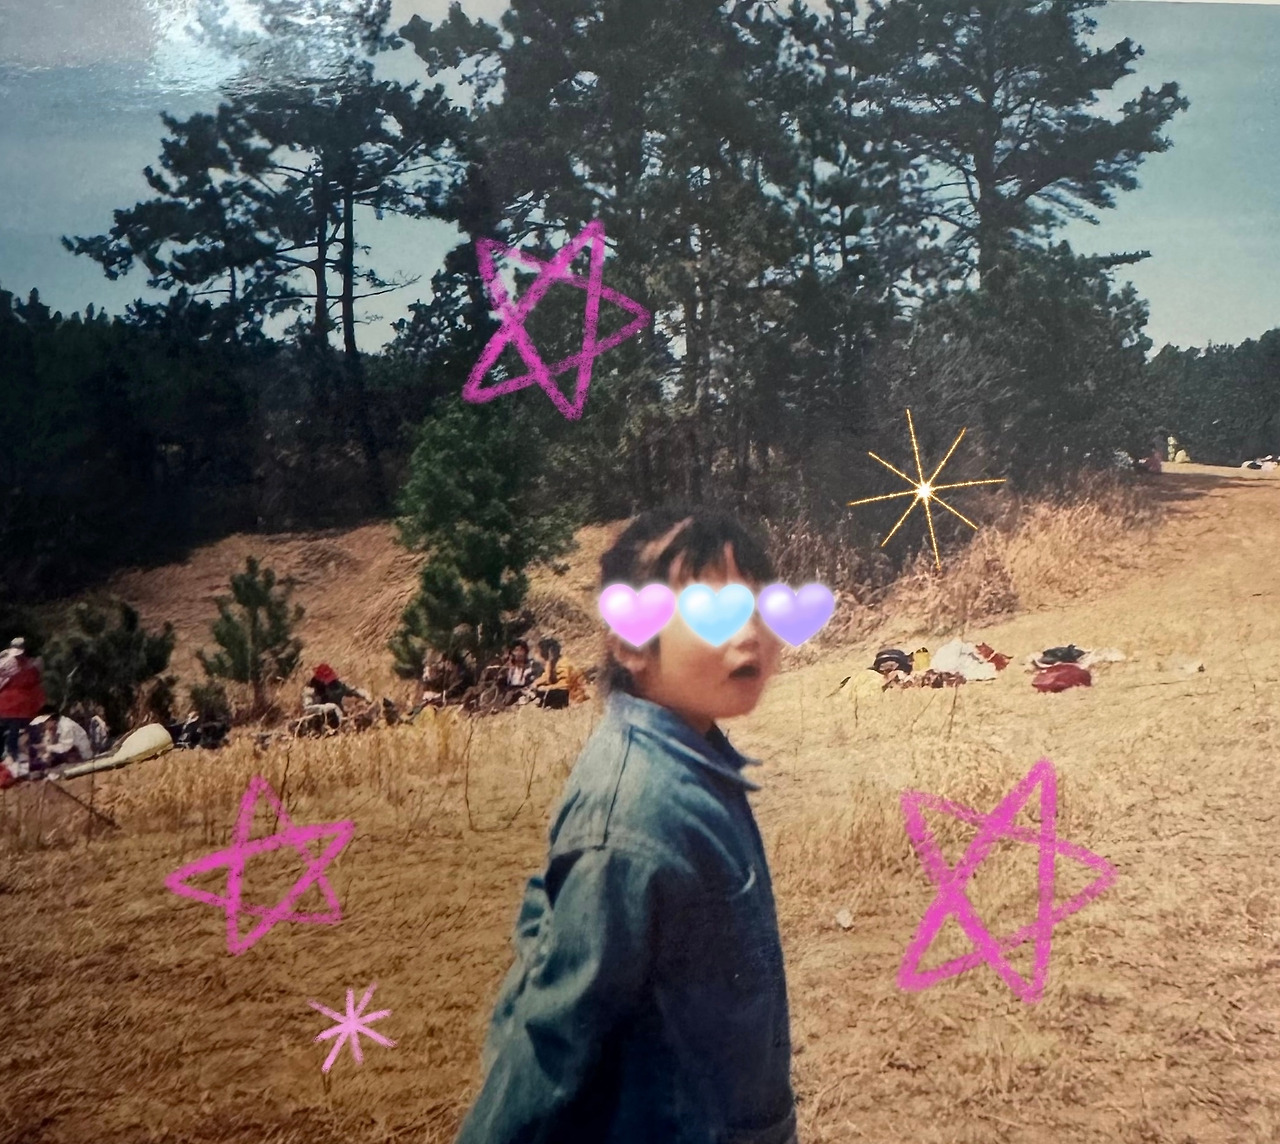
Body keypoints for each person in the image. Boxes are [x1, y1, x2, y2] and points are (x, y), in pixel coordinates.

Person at [455, 508, 797, 1144]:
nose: (751, 632)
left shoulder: (694, 760)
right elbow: (553, 1035)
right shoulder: (635, 816)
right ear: (633, 643)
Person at [0, 637, 46, 766]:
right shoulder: (34, 664)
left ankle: (17, 757)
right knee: (25, 730)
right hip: (21, 704)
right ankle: (29, 756)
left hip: (14, 704)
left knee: (16, 730)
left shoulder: (6, 662)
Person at [301, 663, 370, 730]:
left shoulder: (337, 685)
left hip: (340, 717)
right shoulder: (310, 691)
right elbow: (307, 708)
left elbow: (353, 690)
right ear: (319, 680)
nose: (331, 683)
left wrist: (365, 695)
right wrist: (328, 707)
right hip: (320, 721)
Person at [531, 637, 589, 709]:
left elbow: (565, 685)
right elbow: (546, 676)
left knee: (547, 692)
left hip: (573, 692)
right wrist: (536, 683)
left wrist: (546, 688)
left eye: (538, 652)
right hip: (565, 690)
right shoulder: (552, 664)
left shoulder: (563, 664)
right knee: (539, 690)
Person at [30, 706, 92, 770]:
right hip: (68, 759)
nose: (43, 726)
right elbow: (48, 744)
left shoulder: (66, 726)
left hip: (84, 759)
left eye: (44, 723)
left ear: (51, 720)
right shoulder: (51, 729)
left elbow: (65, 747)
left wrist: (46, 748)